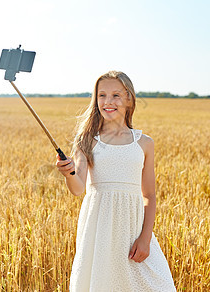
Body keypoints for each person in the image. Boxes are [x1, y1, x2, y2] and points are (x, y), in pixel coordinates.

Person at [56, 71, 176, 291]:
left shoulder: (144, 143)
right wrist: (69, 172)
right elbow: (78, 188)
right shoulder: (86, 141)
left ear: (129, 99)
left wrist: (145, 239)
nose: (108, 102)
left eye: (116, 95)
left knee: (159, 284)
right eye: (102, 95)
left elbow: (149, 195)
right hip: (99, 227)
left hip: (132, 227)